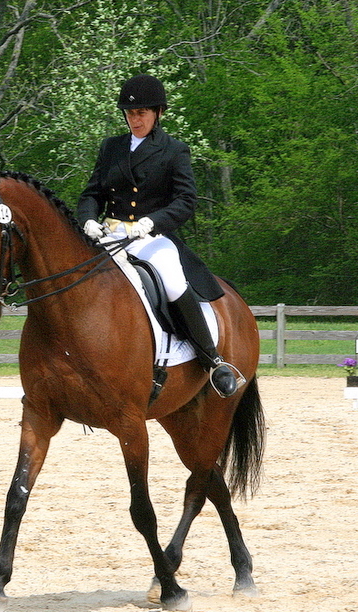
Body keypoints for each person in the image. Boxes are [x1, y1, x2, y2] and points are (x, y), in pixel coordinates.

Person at [77, 73, 240, 397]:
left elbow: (185, 200)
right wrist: (88, 220)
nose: (135, 119)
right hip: (109, 235)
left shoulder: (174, 150)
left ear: (158, 112)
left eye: (141, 113)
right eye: (130, 113)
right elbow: (92, 193)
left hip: (151, 238)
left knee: (173, 282)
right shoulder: (111, 148)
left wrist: (152, 222)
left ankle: (212, 360)